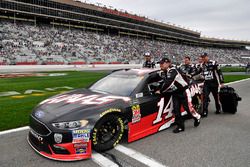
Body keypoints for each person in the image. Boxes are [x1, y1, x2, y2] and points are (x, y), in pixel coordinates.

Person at [156, 57, 201, 133]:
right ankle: (180, 126)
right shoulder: (164, 72)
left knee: (188, 109)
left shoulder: (173, 70)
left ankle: (197, 117)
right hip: (175, 93)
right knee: (176, 110)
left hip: (184, 91)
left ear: (167, 63)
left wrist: (160, 91)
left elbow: (168, 83)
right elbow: (162, 81)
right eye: (160, 64)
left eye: (162, 63)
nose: (160, 65)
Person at [201, 53, 224, 117]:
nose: (203, 58)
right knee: (205, 97)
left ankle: (218, 109)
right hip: (206, 84)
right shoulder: (202, 65)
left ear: (207, 57)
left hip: (214, 83)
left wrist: (222, 82)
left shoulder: (214, 63)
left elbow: (220, 72)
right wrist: (191, 75)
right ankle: (205, 111)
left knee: (216, 97)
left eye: (204, 57)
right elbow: (198, 71)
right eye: (202, 57)